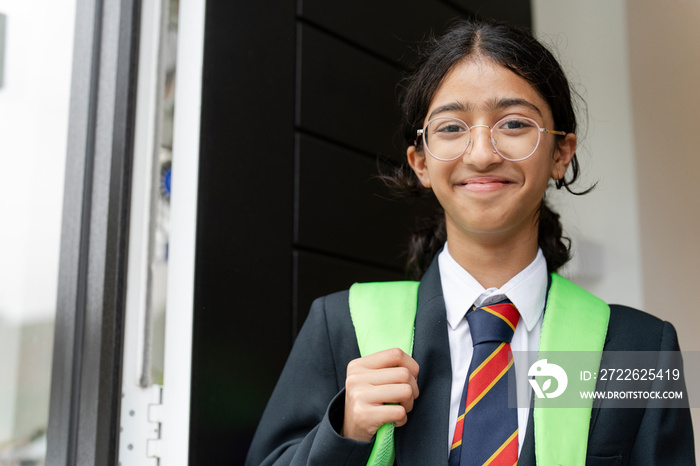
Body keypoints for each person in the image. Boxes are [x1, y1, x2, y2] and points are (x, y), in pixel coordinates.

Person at [245, 18, 695, 465]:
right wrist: (341, 433)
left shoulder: (639, 352)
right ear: (420, 162)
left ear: (561, 153)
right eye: (452, 128)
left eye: (514, 124)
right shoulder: (343, 327)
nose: (481, 154)